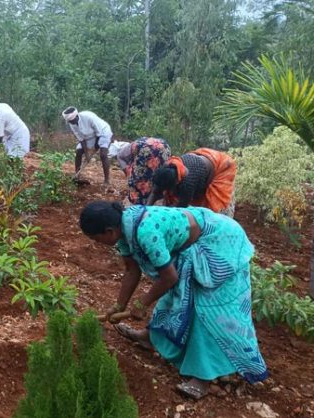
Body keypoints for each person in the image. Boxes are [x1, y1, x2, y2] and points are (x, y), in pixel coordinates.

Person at [78, 201, 268, 400]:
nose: (96, 243)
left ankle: (203, 378)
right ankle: (150, 337)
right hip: (194, 242)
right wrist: (119, 306)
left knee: (206, 309)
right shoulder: (122, 229)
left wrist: (142, 304)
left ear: (108, 231)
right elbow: (131, 270)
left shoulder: (145, 232)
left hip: (220, 242)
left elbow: (169, 277)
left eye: (95, 238)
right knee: (177, 295)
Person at [148, 148, 236, 217]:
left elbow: (180, 209)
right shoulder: (166, 168)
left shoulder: (188, 183)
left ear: (175, 184)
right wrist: (146, 210)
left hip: (220, 166)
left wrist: (159, 214)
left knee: (203, 214)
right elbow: (155, 191)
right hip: (201, 156)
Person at [109, 137, 172, 205]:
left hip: (143, 182)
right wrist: (128, 171)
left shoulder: (138, 145)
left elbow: (120, 156)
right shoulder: (165, 147)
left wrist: (128, 172)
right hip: (152, 185)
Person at [62, 107, 113, 186]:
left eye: (71, 121)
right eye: (69, 122)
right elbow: (81, 139)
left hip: (103, 132)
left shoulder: (88, 117)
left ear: (76, 117)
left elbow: (98, 133)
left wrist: (94, 149)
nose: (71, 123)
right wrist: (86, 153)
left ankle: (107, 181)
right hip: (89, 136)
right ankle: (77, 175)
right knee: (78, 151)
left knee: (103, 154)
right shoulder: (72, 123)